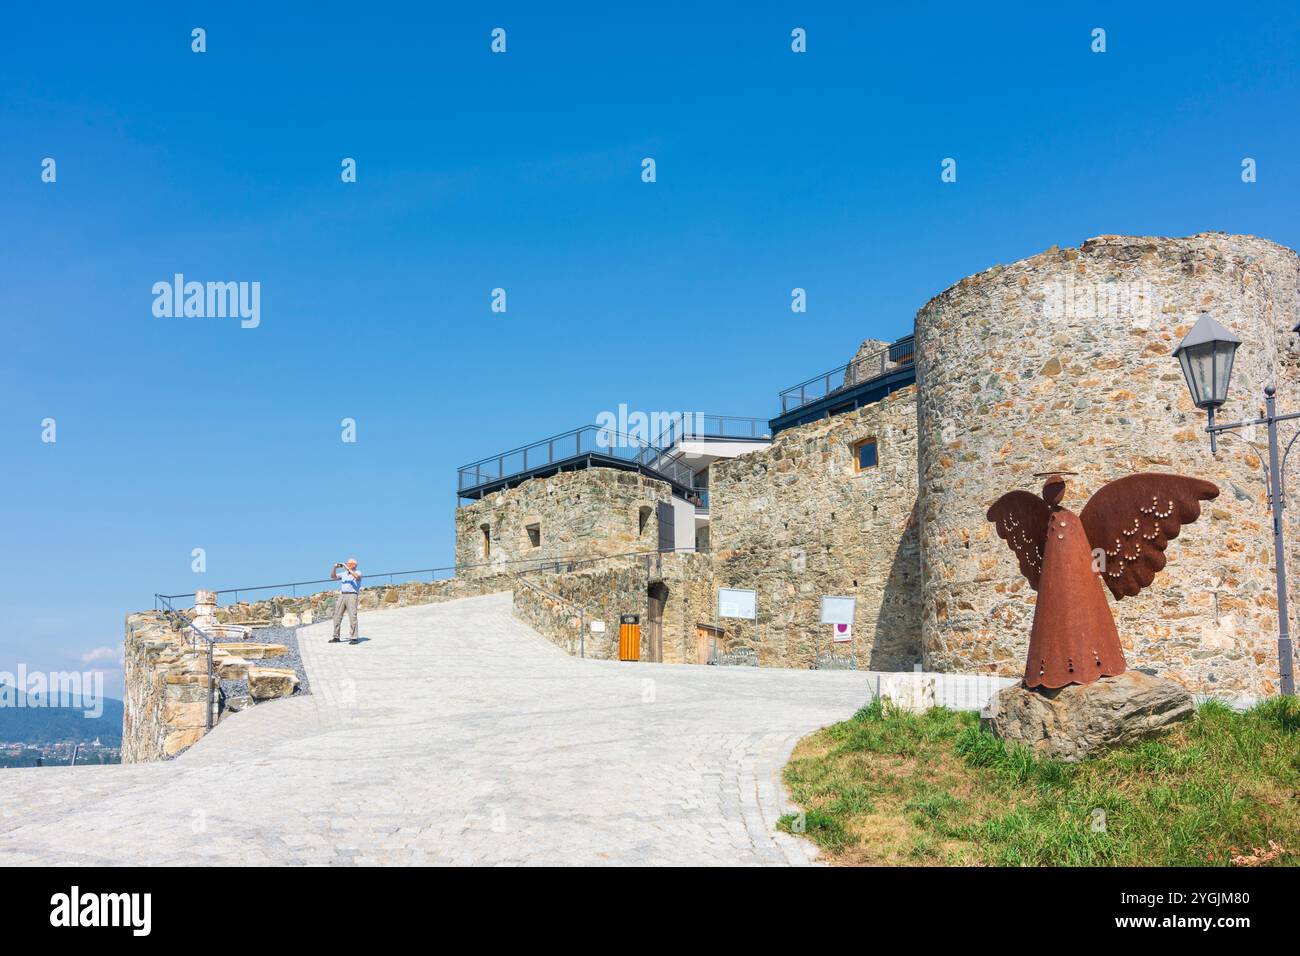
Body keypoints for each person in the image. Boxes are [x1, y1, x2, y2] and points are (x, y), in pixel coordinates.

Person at [329, 558, 363, 644]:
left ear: (353, 565)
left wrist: (347, 568)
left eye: (348, 563)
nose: (346, 564)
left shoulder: (358, 572)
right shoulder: (344, 574)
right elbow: (333, 577)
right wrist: (335, 568)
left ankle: (354, 637)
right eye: (346, 563)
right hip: (342, 595)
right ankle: (336, 636)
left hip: (352, 595)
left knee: (352, 616)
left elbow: (357, 577)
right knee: (337, 615)